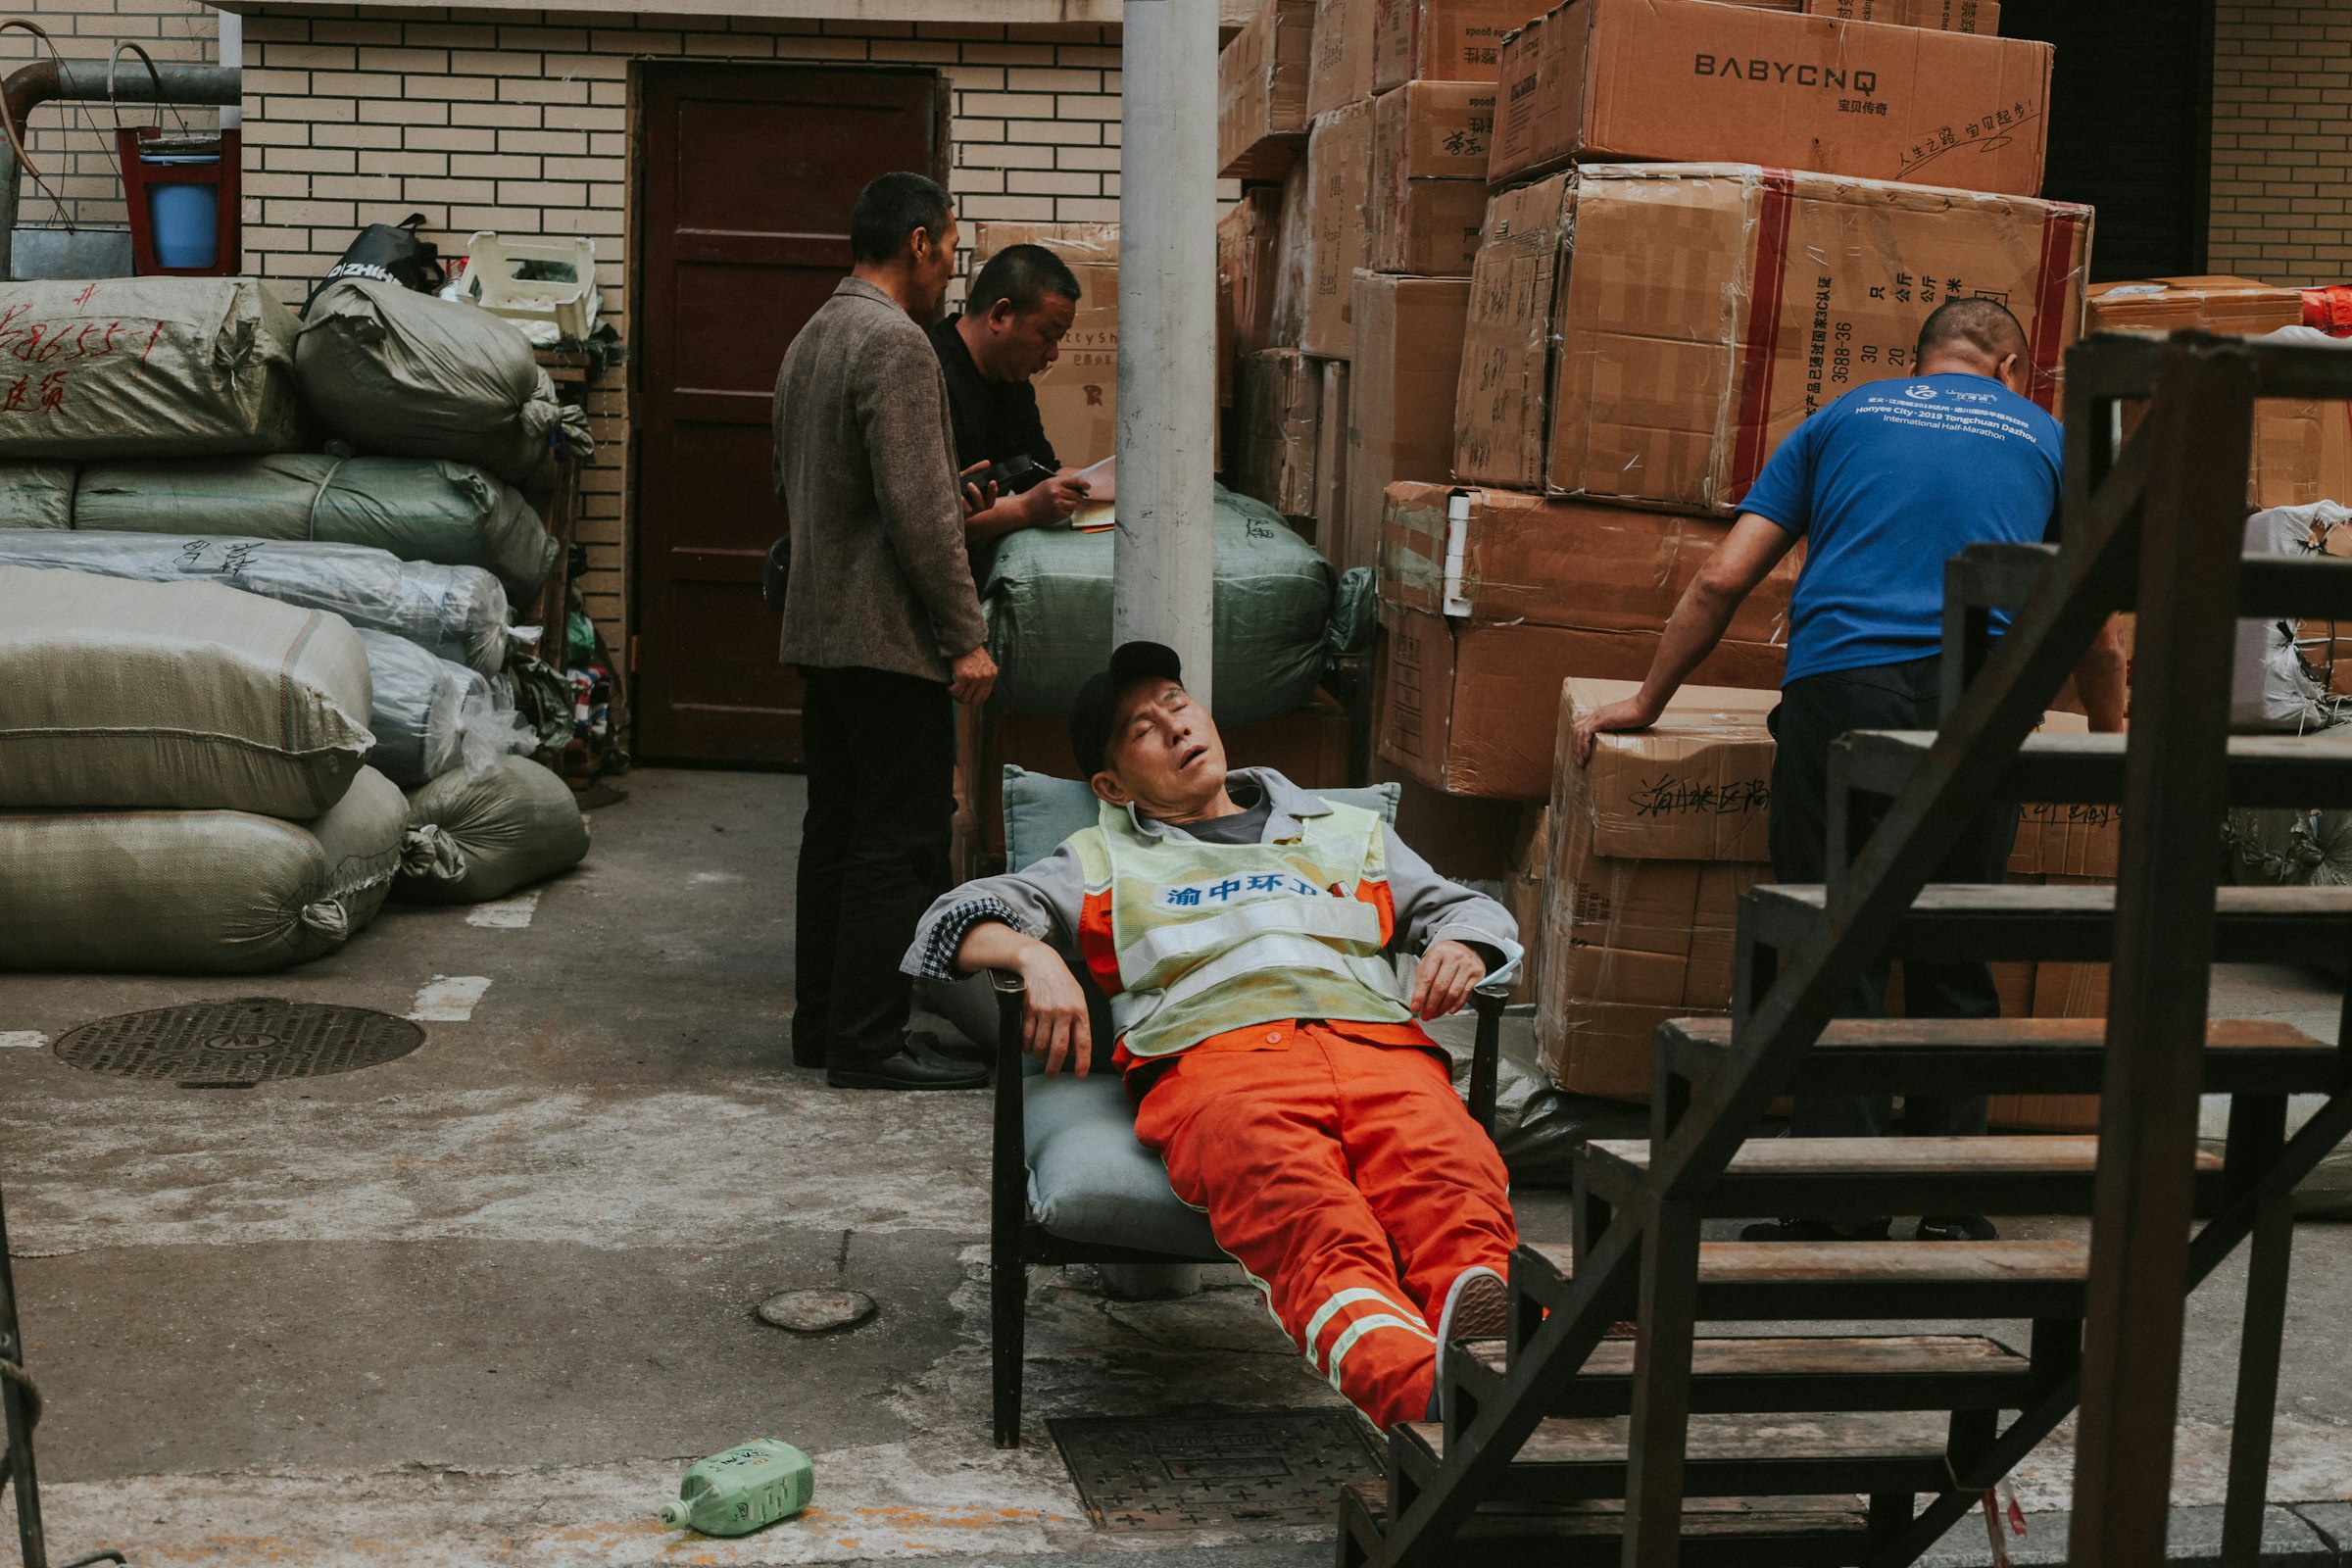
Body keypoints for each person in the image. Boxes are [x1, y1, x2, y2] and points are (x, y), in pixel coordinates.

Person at [1570, 297, 2130, 1244]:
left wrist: (1644, 703)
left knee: (1836, 947)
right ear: (2007, 368)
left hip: (1844, 702)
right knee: (1955, 951)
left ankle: (1838, 1206)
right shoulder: (2049, 438)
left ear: (1924, 362)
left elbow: (1721, 579)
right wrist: (2112, 736)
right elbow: (2096, 628)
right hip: (1983, 710)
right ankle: (1953, 1206)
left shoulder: (1842, 417)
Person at [902, 641, 1526, 1430]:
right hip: (1220, 1072)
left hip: (1384, 1054)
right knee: (1312, 1225)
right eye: (1140, 728)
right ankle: (1434, 1399)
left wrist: (1462, 945)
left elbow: (1465, 909)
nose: (1173, 724)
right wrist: (1031, 951)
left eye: (1177, 700)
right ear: (1111, 783)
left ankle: (1527, 1365)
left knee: (1458, 1194)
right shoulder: (1101, 858)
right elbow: (944, 921)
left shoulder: (1344, 830)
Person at [772, 171, 999, 1092]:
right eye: (952, 245)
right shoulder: (898, 345)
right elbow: (917, 515)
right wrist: (963, 634)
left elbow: (800, 485)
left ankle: (823, 1027)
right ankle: (868, 1041)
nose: (953, 265)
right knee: (898, 840)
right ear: (919, 241)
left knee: (835, 830)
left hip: (822, 631)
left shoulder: (812, 336)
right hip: (887, 638)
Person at [926, 242, 1095, 546]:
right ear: (1000, 314)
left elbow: (1040, 470)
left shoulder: (1012, 379)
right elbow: (924, 521)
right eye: (1048, 335)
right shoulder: (925, 373)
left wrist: (1112, 483)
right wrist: (1026, 507)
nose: (1054, 354)